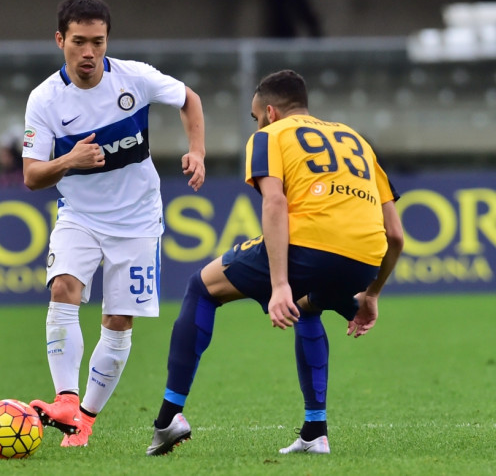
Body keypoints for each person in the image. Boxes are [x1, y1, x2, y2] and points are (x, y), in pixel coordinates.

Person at [146, 69, 403, 456]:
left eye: (256, 117)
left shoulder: (269, 135)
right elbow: (396, 235)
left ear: (269, 112)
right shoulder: (355, 139)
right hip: (366, 257)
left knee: (203, 287)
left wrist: (280, 284)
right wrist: (371, 294)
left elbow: (275, 203)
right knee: (306, 307)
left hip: (308, 247)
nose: (257, 123)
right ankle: (316, 431)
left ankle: (168, 419)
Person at [22, 0, 206, 449]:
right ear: (60, 39)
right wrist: (69, 159)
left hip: (139, 221)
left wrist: (197, 151)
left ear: (108, 41)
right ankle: (65, 397)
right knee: (64, 288)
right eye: (79, 42)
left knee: (118, 320)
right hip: (79, 216)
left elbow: (190, 99)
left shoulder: (135, 78)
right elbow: (31, 176)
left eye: (98, 42)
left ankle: (84, 419)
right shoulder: (44, 99)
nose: (89, 53)